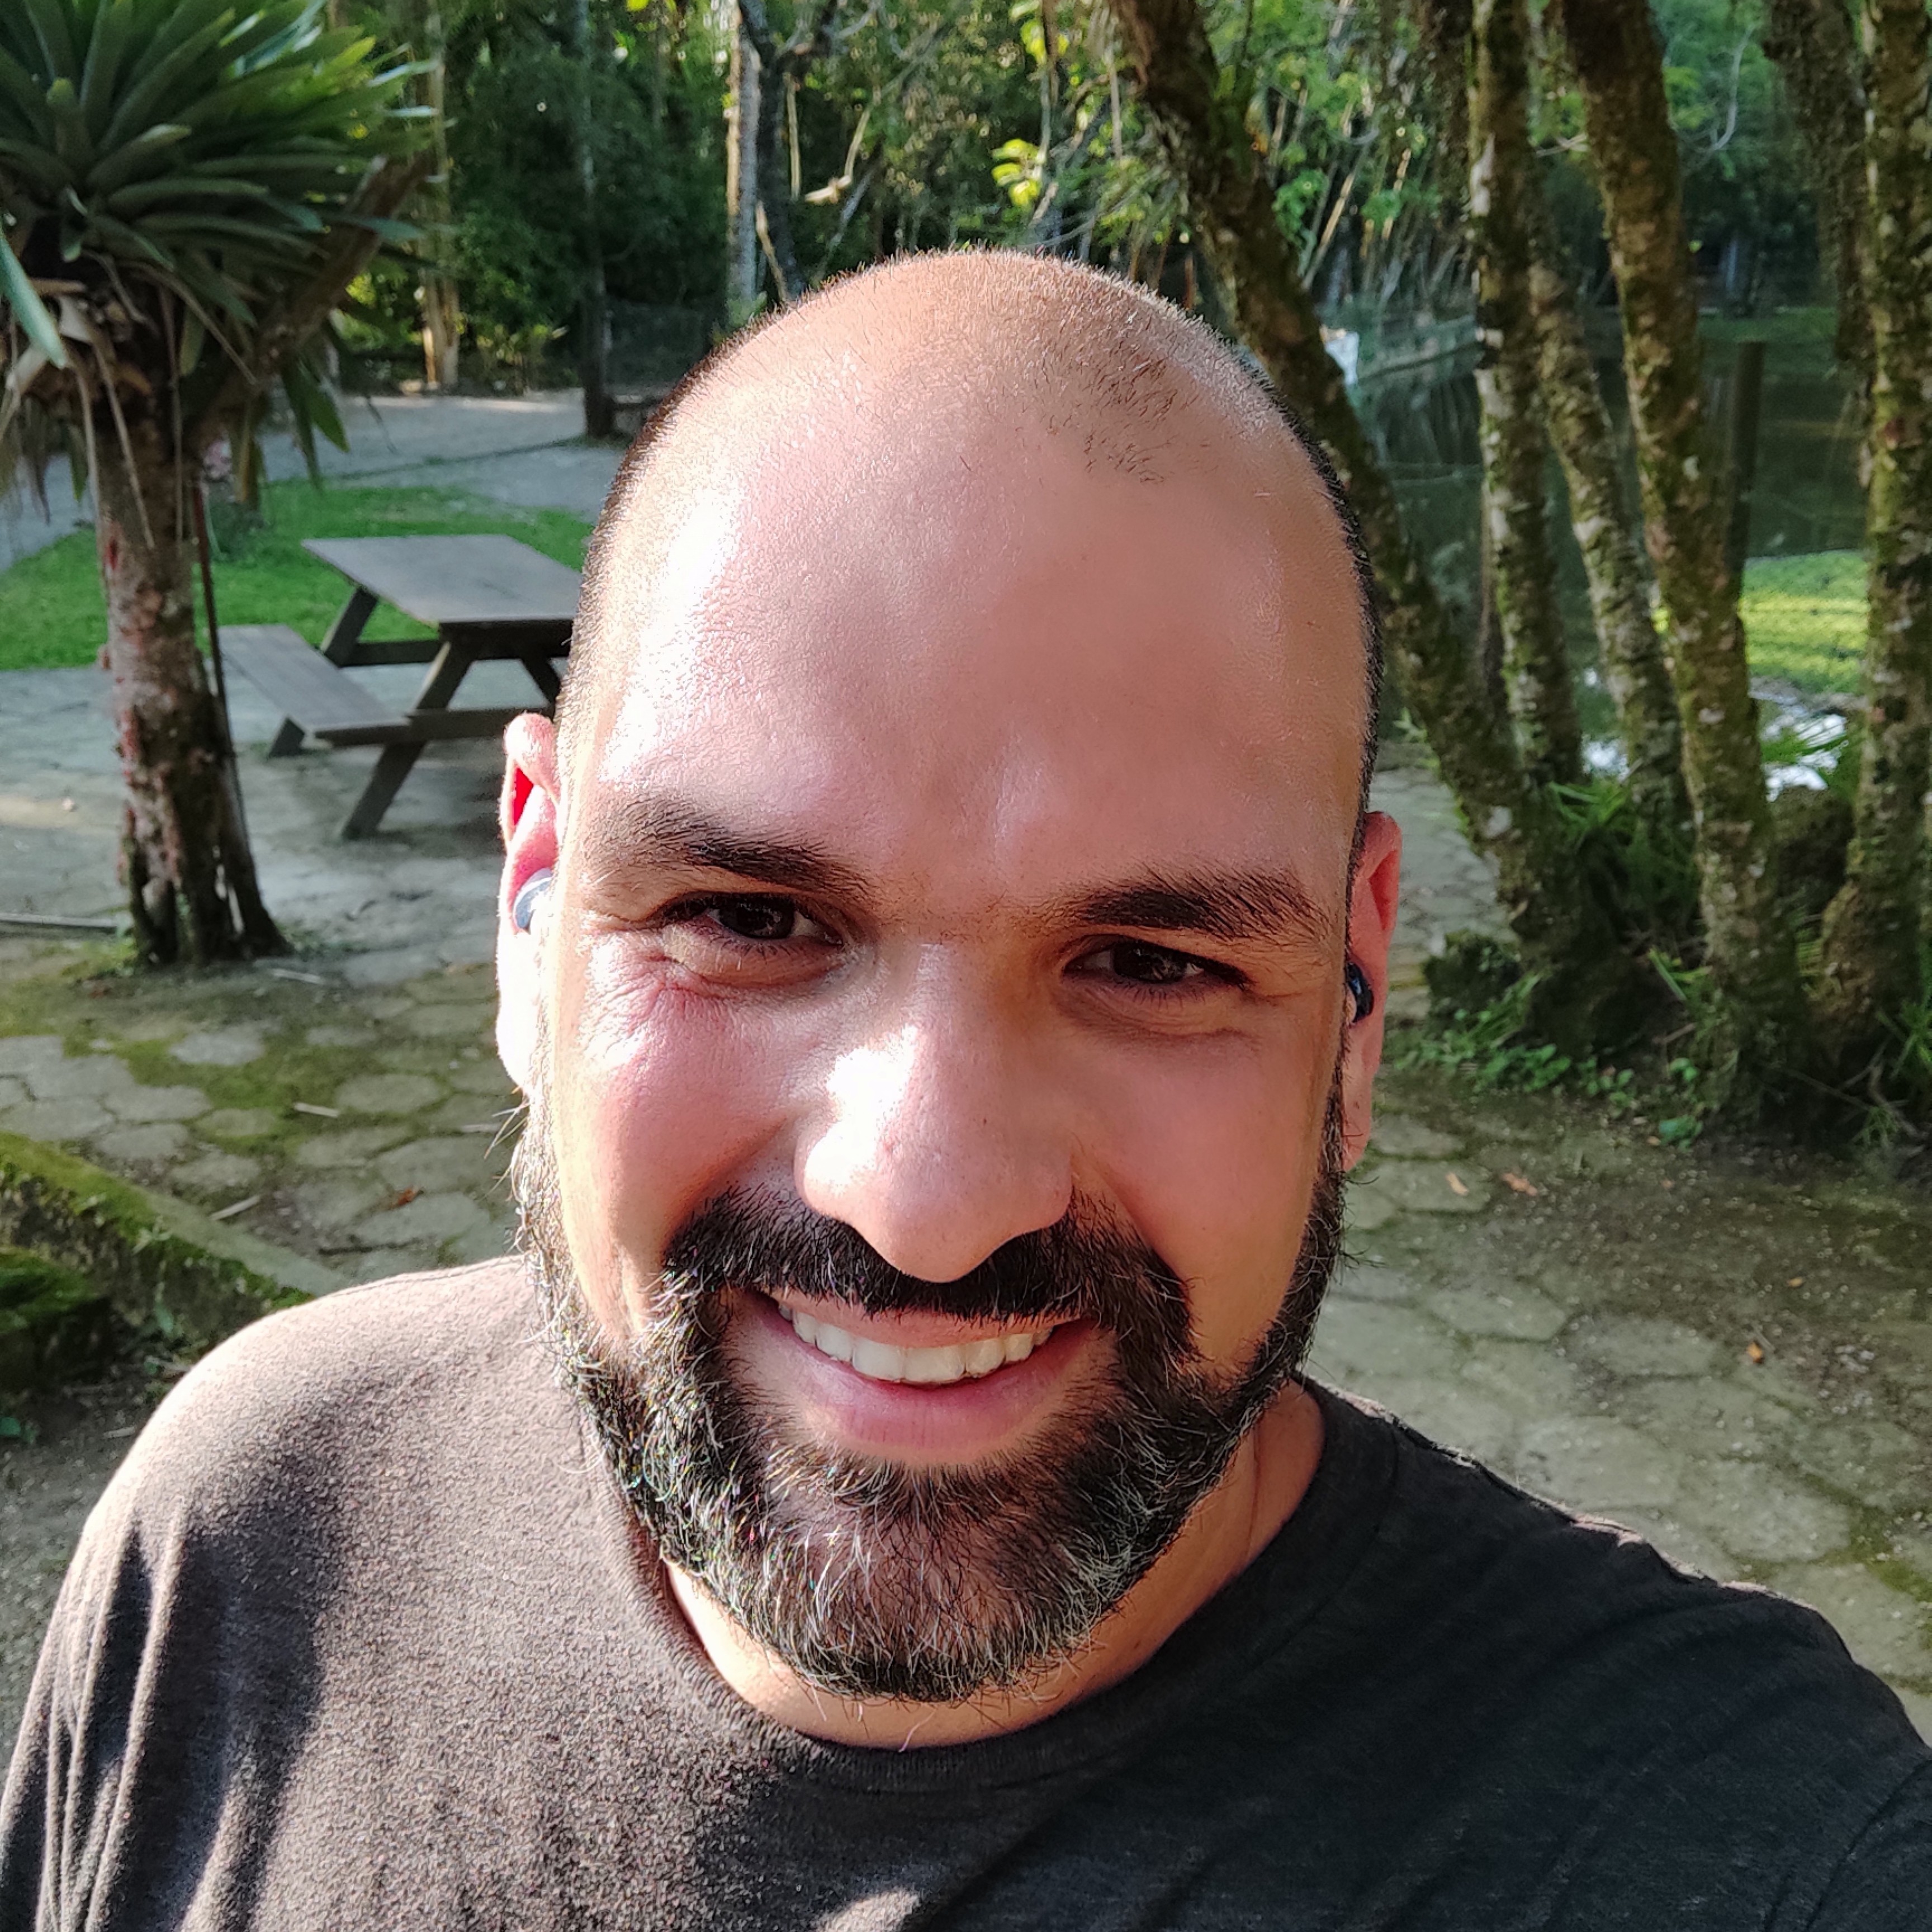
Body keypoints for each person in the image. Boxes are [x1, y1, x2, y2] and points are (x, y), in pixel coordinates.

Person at [3, 253, 1926, 1929]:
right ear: (532, 911)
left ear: (1353, 1009)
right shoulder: (248, 1535)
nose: (924, 1204)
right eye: (749, 918)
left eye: (1153, 962)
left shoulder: (1772, 1849)